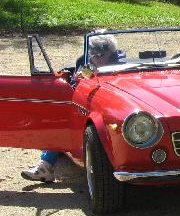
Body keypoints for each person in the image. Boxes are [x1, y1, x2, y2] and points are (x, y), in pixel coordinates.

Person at [21, 33, 119, 183]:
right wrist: (76, 78)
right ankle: (46, 166)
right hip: (82, 105)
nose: (95, 58)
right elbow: (74, 86)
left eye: (100, 54)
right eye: (93, 53)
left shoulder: (121, 65)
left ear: (111, 52)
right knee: (58, 120)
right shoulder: (84, 61)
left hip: (106, 107)